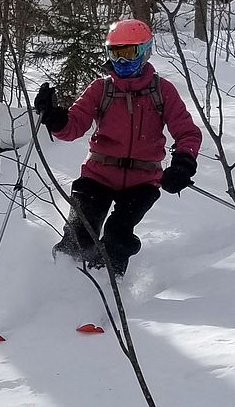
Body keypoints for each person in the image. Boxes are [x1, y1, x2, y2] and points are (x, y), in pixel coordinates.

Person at [34, 18, 202, 277]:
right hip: (98, 175)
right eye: (115, 53)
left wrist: (183, 164)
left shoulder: (162, 91)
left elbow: (187, 132)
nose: (121, 62)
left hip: (142, 181)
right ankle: (60, 284)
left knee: (118, 236)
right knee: (79, 233)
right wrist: (56, 118)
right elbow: (74, 126)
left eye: (129, 53)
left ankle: (109, 288)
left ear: (145, 51)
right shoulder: (101, 89)